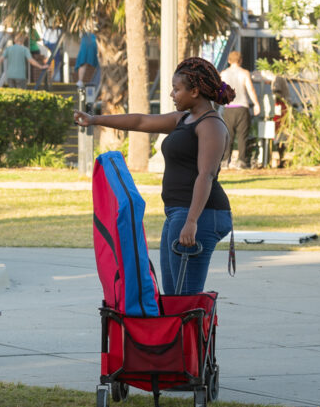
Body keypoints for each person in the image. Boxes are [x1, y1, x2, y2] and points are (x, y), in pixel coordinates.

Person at [73, 57, 234, 295]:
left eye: (177, 89)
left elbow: (206, 175)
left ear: (195, 91)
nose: (172, 94)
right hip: (178, 212)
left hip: (200, 214)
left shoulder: (210, 125)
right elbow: (140, 120)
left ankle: (187, 334)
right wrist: (95, 119)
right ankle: (177, 334)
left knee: (184, 297)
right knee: (172, 296)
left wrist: (192, 222)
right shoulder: (184, 119)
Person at [219, 50, 260, 168]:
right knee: (242, 135)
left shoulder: (223, 74)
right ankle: (241, 161)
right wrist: (256, 104)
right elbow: (250, 89)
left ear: (229, 61)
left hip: (229, 108)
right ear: (240, 60)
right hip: (242, 107)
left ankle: (225, 160)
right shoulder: (244, 73)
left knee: (228, 135)